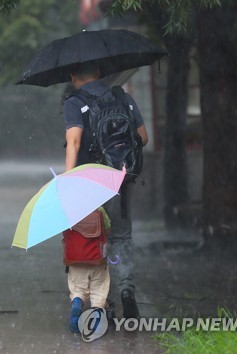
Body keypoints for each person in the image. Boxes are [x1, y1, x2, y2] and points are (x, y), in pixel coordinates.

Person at [63, 62, 148, 322]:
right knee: (122, 237)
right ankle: (126, 292)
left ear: (73, 76)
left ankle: (105, 303)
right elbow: (142, 137)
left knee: (96, 240)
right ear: (99, 73)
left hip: (90, 183)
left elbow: (74, 141)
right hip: (120, 179)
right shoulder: (123, 98)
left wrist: (67, 179)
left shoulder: (74, 103)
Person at [64, 207, 111, 334]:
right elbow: (108, 229)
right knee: (99, 291)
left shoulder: (66, 212)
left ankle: (77, 302)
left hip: (76, 261)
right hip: (97, 260)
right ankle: (96, 322)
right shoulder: (100, 209)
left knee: (78, 289)